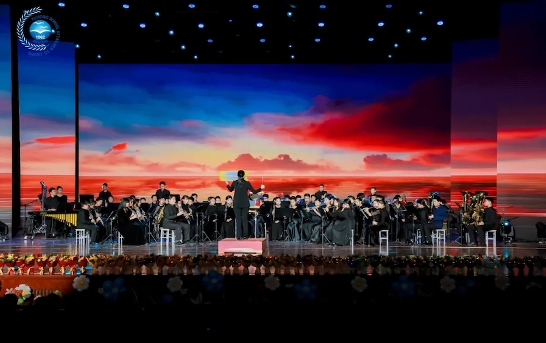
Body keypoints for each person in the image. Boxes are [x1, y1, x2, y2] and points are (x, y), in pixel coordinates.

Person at [225, 170, 265, 239]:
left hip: (237, 204)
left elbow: (231, 190)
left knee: (238, 220)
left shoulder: (234, 182)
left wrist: (227, 184)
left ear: (237, 175)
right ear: (243, 176)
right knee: (245, 219)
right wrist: (260, 188)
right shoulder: (247, 183)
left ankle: (239, 236)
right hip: (245, 203)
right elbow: (254, 191)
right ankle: (245, 236)